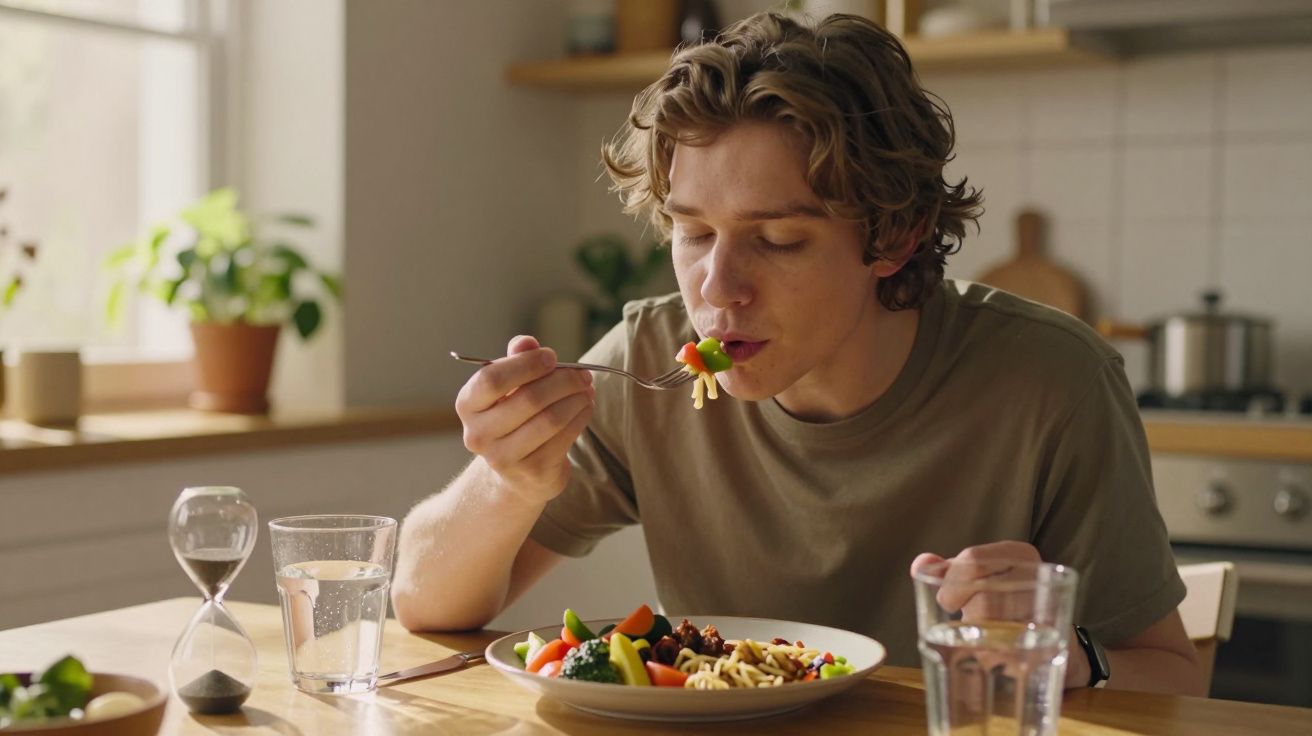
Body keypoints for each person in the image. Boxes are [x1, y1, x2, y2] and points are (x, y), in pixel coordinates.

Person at [392, 12, 1204, 696]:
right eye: (693, 232)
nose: (719, 287)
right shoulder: (649, 357)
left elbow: (1175, 674)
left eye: (777, 239)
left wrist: (1061, 657)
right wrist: (507, 483)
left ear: (894, 236)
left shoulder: (1051, 380)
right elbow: (423, 605)